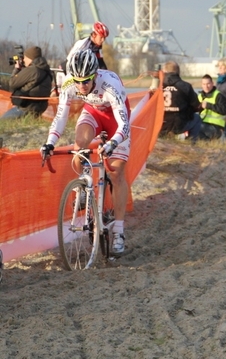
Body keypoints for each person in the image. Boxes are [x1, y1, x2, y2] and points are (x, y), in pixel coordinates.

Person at [40, 49, 131, 254]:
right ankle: (84, 186)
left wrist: (113, 144)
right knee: (79, 145)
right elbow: (61, 117)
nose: (82, 86)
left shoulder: (110, 85)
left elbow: (124, 127)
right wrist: (50, 142)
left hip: (115, 119)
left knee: (116, 173)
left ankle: (118, 230)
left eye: (86, 81)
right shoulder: (70, 83)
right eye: (78, 81)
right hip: (93, 113)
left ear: (95, 75)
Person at [1, 46, 52, 119]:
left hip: (27, 107)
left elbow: (12, 83)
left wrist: (17, 69)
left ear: (30, 58)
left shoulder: (32, 70)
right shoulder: (46, 71)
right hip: (40, 107)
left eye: (25, 57)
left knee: (2, 121)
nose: (24, 60)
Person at [160, 61, 201, 143]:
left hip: (162, 124)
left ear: (164, 72)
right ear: (178, 72)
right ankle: (191, 143)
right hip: (179, 124)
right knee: (197, 118)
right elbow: (196, 105)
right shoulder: (185, 86)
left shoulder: (159, 87)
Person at [197, 74, 226, 140]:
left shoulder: (218, 96)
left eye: (208, 84)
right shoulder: (200, 96)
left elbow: (224, 110)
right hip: (203, 124)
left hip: (216, 127)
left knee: (197, 128)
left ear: (212, 83)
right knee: (190, 127)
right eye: (204, 84)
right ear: (201, 85)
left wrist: (208, 105)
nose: (206, 86)